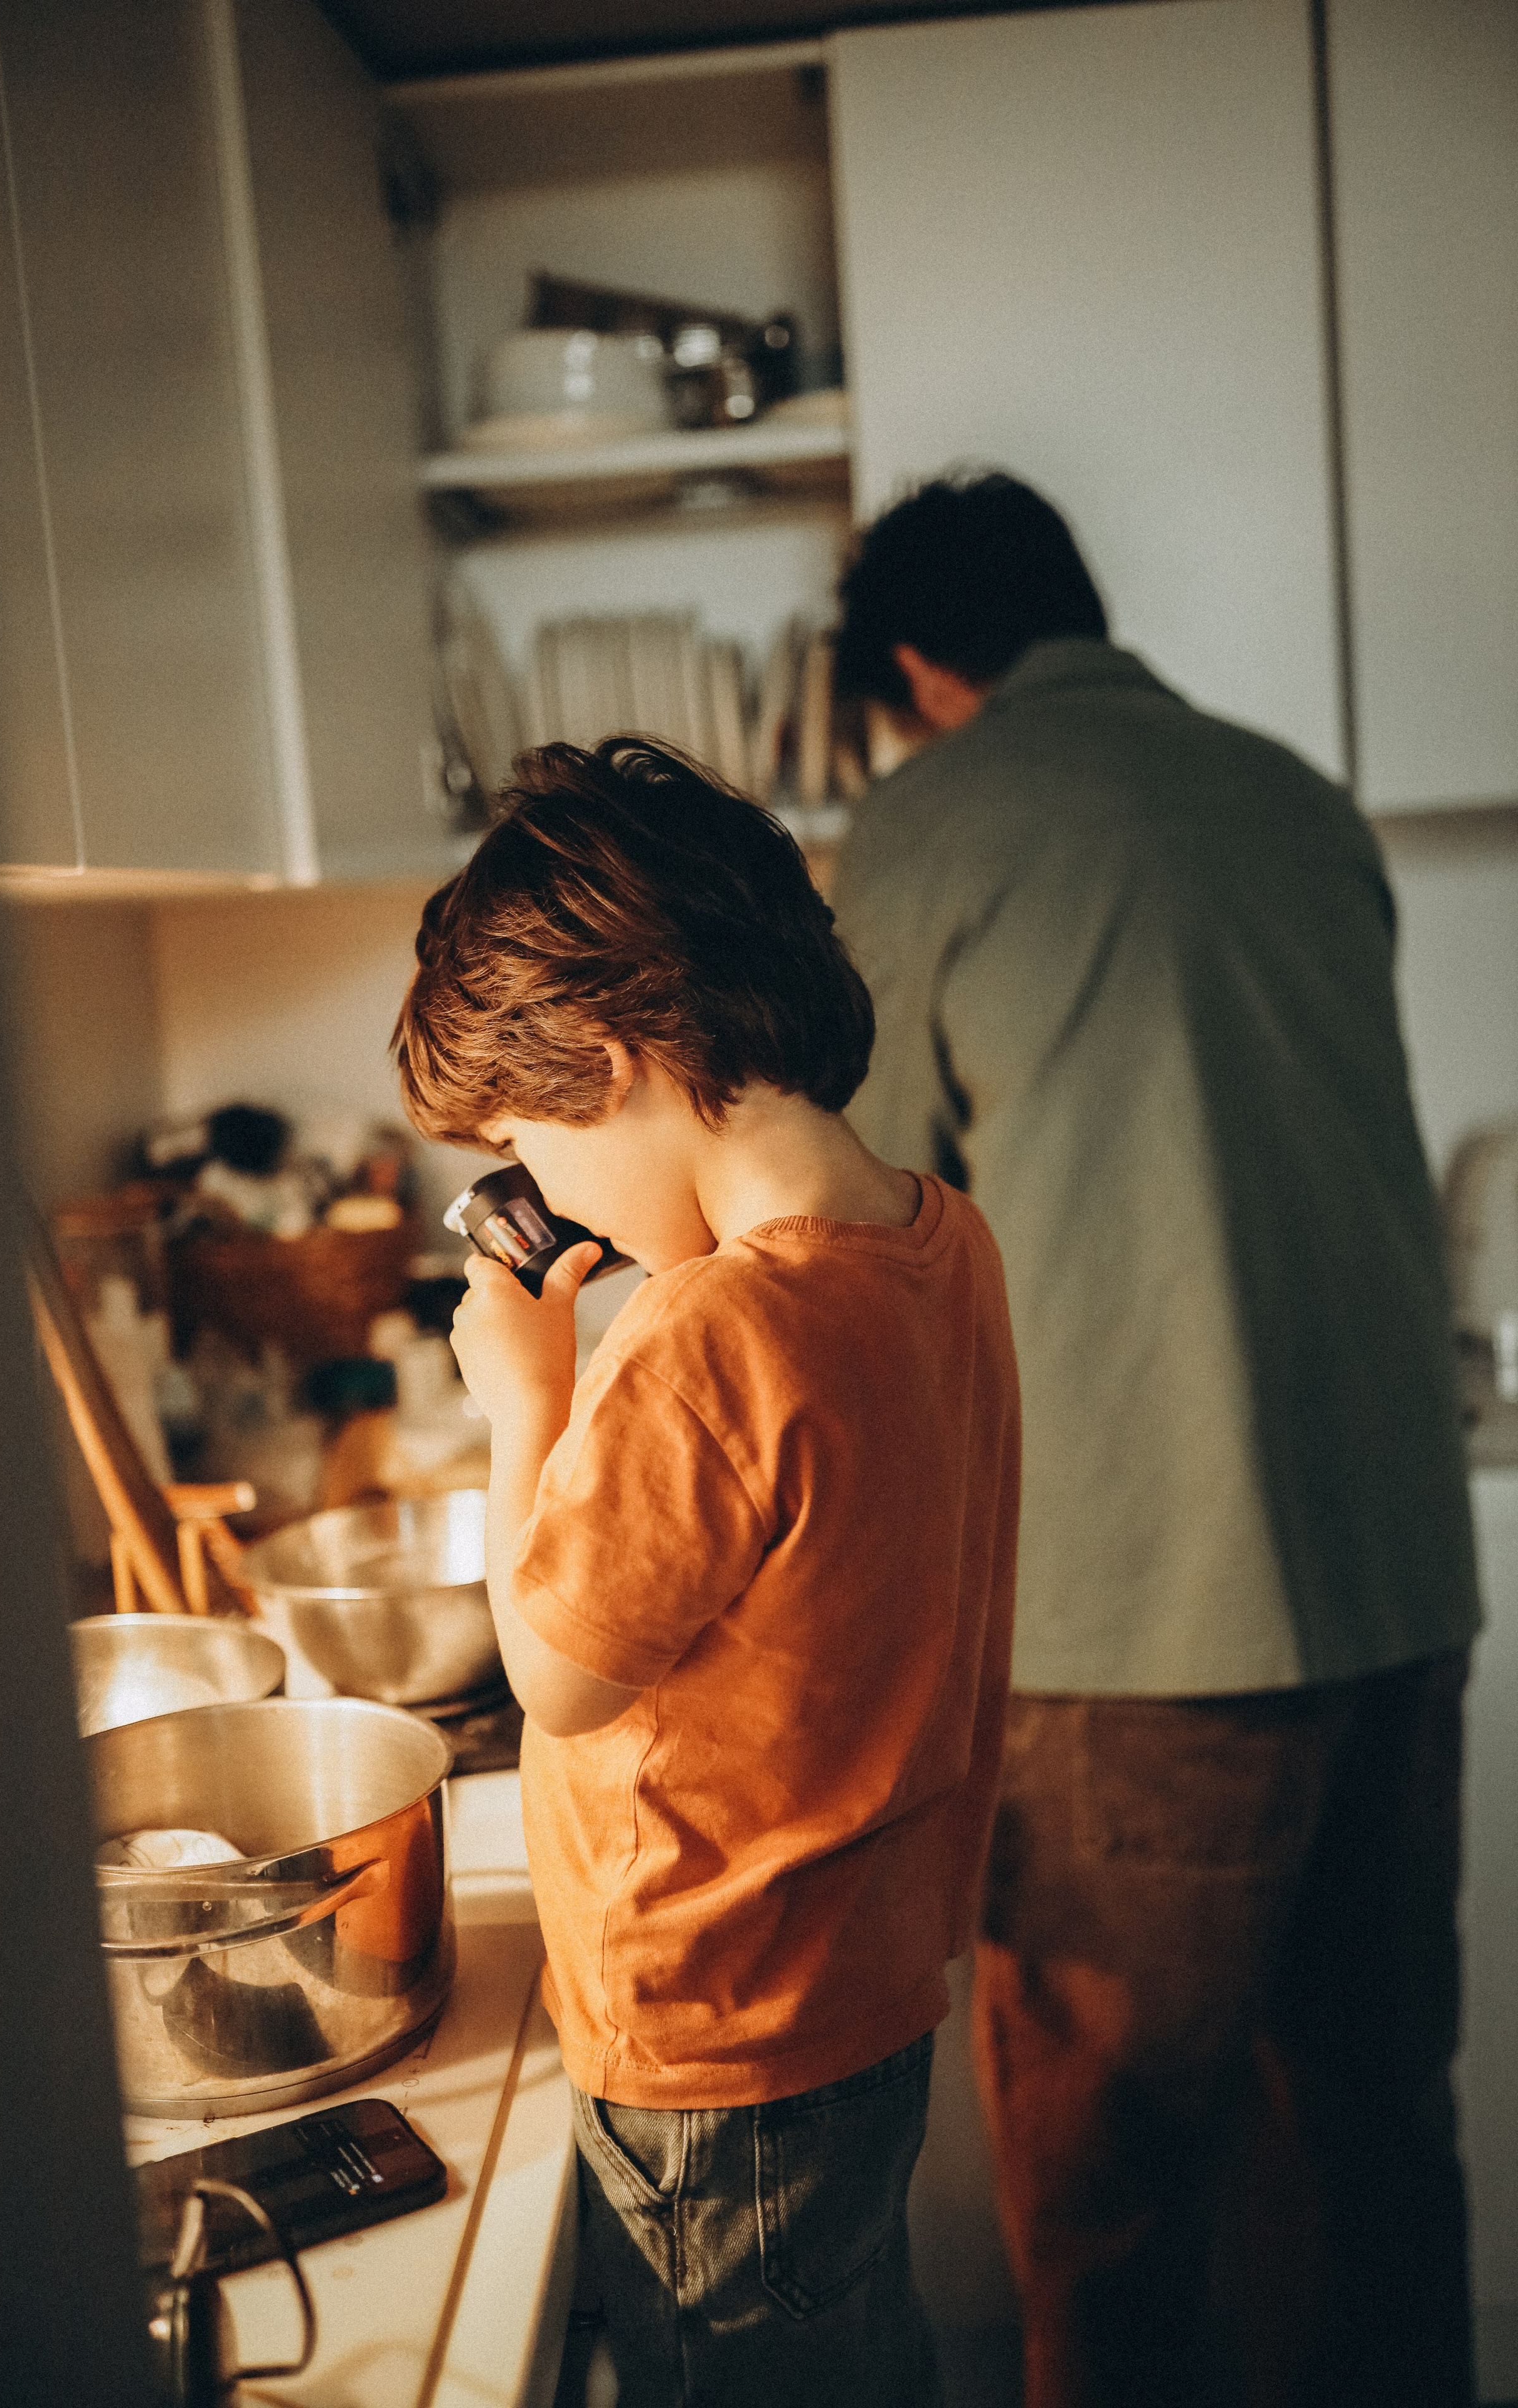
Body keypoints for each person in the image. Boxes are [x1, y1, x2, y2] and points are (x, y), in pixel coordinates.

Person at [829, 471, 1482, 2408]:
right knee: (1368, 2152)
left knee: (1113, 2205)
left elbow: (853, 1232)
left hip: (1144, 1628)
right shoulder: (1297, 796)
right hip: (1395, 1587)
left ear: (926, 671)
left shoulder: (934, 815)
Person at [392, 738, 1021, 2408]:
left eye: (527, 1136)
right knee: (852, 2358)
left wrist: (526, 1396)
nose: (535, 1187)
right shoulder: (940, 1242)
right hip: (866, 1987)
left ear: (613, 1055)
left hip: (710, 2038)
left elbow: (556, 1669)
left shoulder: (703, 1333)